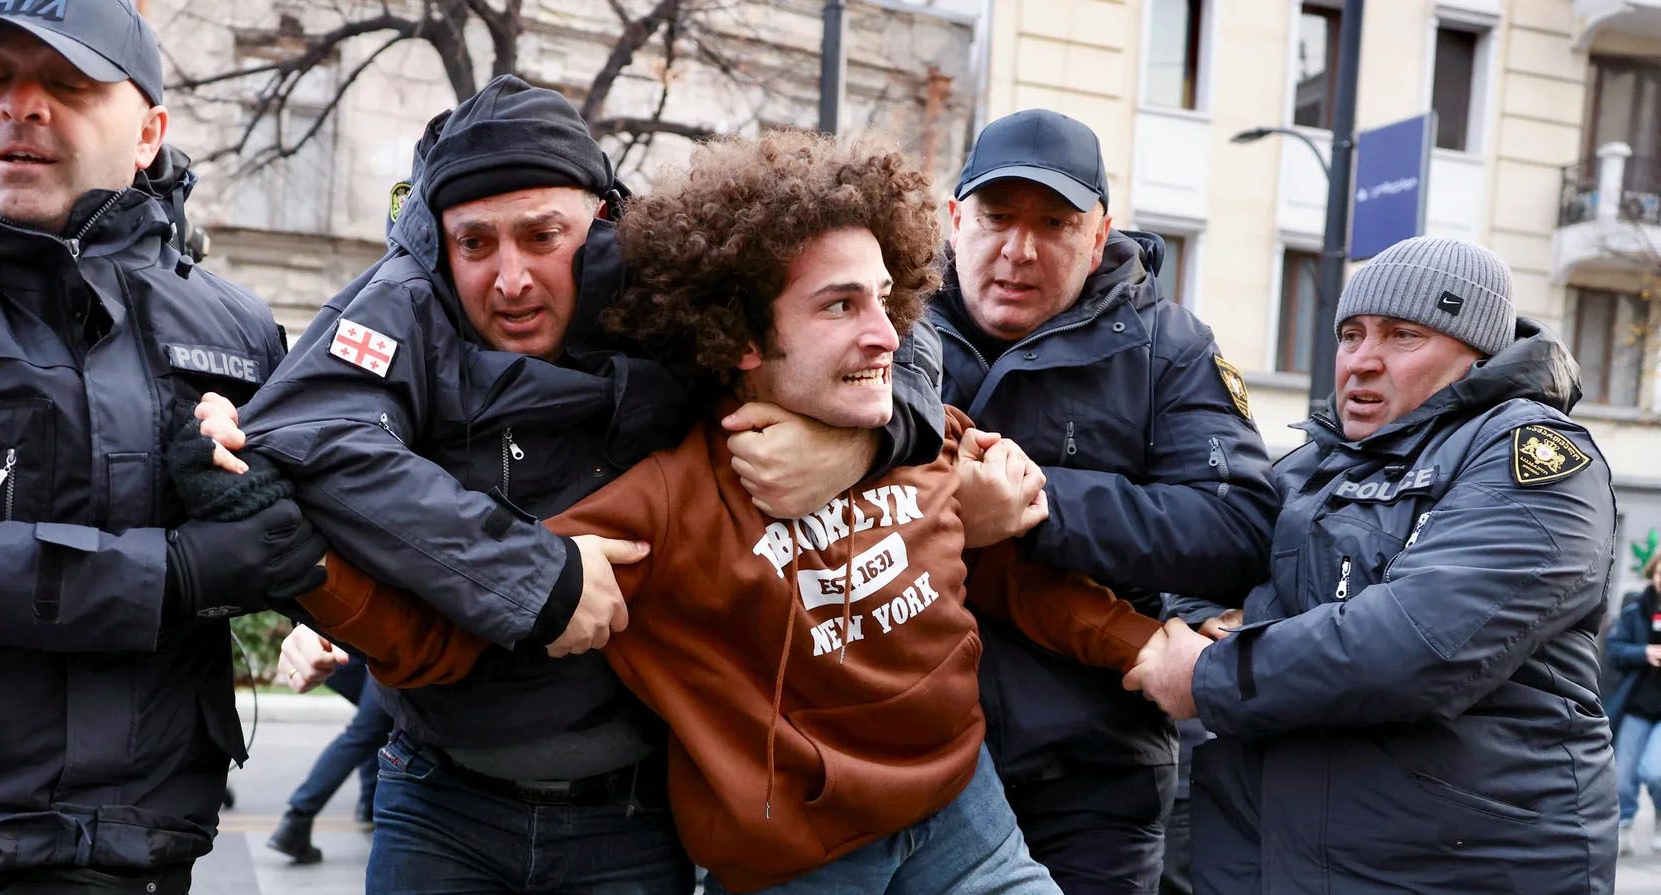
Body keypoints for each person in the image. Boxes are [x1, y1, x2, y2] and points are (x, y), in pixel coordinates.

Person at [217, 130, 1166, 894]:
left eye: (884, 300)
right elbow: (443, 634)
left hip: (969, 818)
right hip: (798, 857)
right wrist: (294, 555)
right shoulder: (673, 492)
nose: (886, 331)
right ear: (748, 339)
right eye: (842, 306)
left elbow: (1018, 582)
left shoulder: (919, 434)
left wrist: (1158, 652)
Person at [0, 0, 326, 891]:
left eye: (66, 85)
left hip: (161, 837)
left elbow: (317, 517)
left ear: (148, 131)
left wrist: (286, 550)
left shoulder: (236, 322)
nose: (21, 107)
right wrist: (179, 572)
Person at [1126, 235, 1618, 894]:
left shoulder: (1536, 457)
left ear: (1476, 351)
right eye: (1350, 335)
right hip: (1283, 858)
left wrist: (1217, 666)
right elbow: (1193, 580)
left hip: (1454, 867)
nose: (1361, 361)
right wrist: (1260, 629)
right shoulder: (1308, 465)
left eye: (1402, 336)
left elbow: (1419, 643)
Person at [930, 109, 1277, 894]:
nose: (1019, 249)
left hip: (1090, 775)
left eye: (1054, 223)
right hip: (897, 759)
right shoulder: (888, 325)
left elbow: (1237, 526)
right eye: (996, 218)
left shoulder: (1171, 346)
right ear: (955, 221)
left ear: (1098, 235)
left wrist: (1035, 503)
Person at [266, 652, 393, 863]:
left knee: (375, 728)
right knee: (366, 730)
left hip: (361, 651)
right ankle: (297, 818)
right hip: (384, 652)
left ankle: (369, 804)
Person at [1605, 553, 1661, 853]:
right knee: (1622, 776)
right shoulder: (1635, 607)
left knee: (1656, 772)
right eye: (1660, 573)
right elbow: (1613, 650)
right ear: (1653, 574)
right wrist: (1644, 653)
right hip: (1637, 706)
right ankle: (1623, 827)